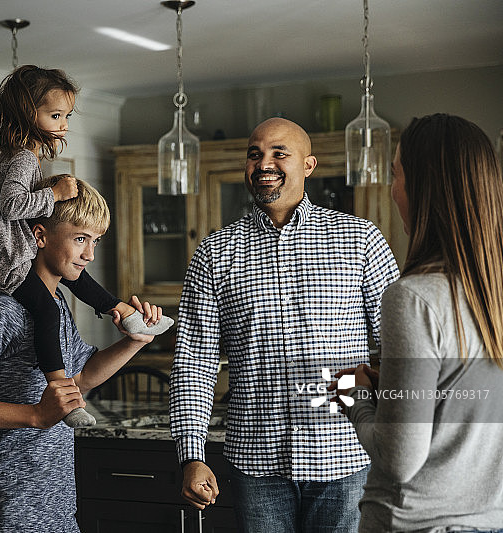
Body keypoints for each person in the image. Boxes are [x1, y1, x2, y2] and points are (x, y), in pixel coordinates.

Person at [169, 117, 400, 532]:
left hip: (345, 458)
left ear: (308, 166)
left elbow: (398, 346)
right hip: (255, 463)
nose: (264, 163)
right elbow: (194, 362)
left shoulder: (359, 238)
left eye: (280, 153)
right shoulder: (214, 252)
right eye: (255, 154)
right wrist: (192, 454)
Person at [0, 175, 163, 533]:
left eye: (95, 241)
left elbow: (79, 379)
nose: (90, 254)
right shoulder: (1, 310)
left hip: (56, 504)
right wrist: (36, 415)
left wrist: (134, 342)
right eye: (80, 239)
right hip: (8, 505)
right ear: (39, 237)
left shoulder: (56, 304)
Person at [0, 65, 171, 428]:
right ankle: (56, 386)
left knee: (74, 280)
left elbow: (87, 375)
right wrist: (56, 194)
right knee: (46, 309)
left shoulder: (22, 158)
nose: (63, 124)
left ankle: (123, 311)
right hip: (7, 268)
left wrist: (135, 338)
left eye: (66, 115)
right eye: (55, 115)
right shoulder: (22, 158)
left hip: (57, 480)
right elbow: (10, 205)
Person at [332, 114, 503, 532]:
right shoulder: (492, 295)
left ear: (424, 189)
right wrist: (393, 388)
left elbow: (399, 461)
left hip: (417, 523)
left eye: (396, 175)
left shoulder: (414, 298)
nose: (392, 190)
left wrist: (355, 397)